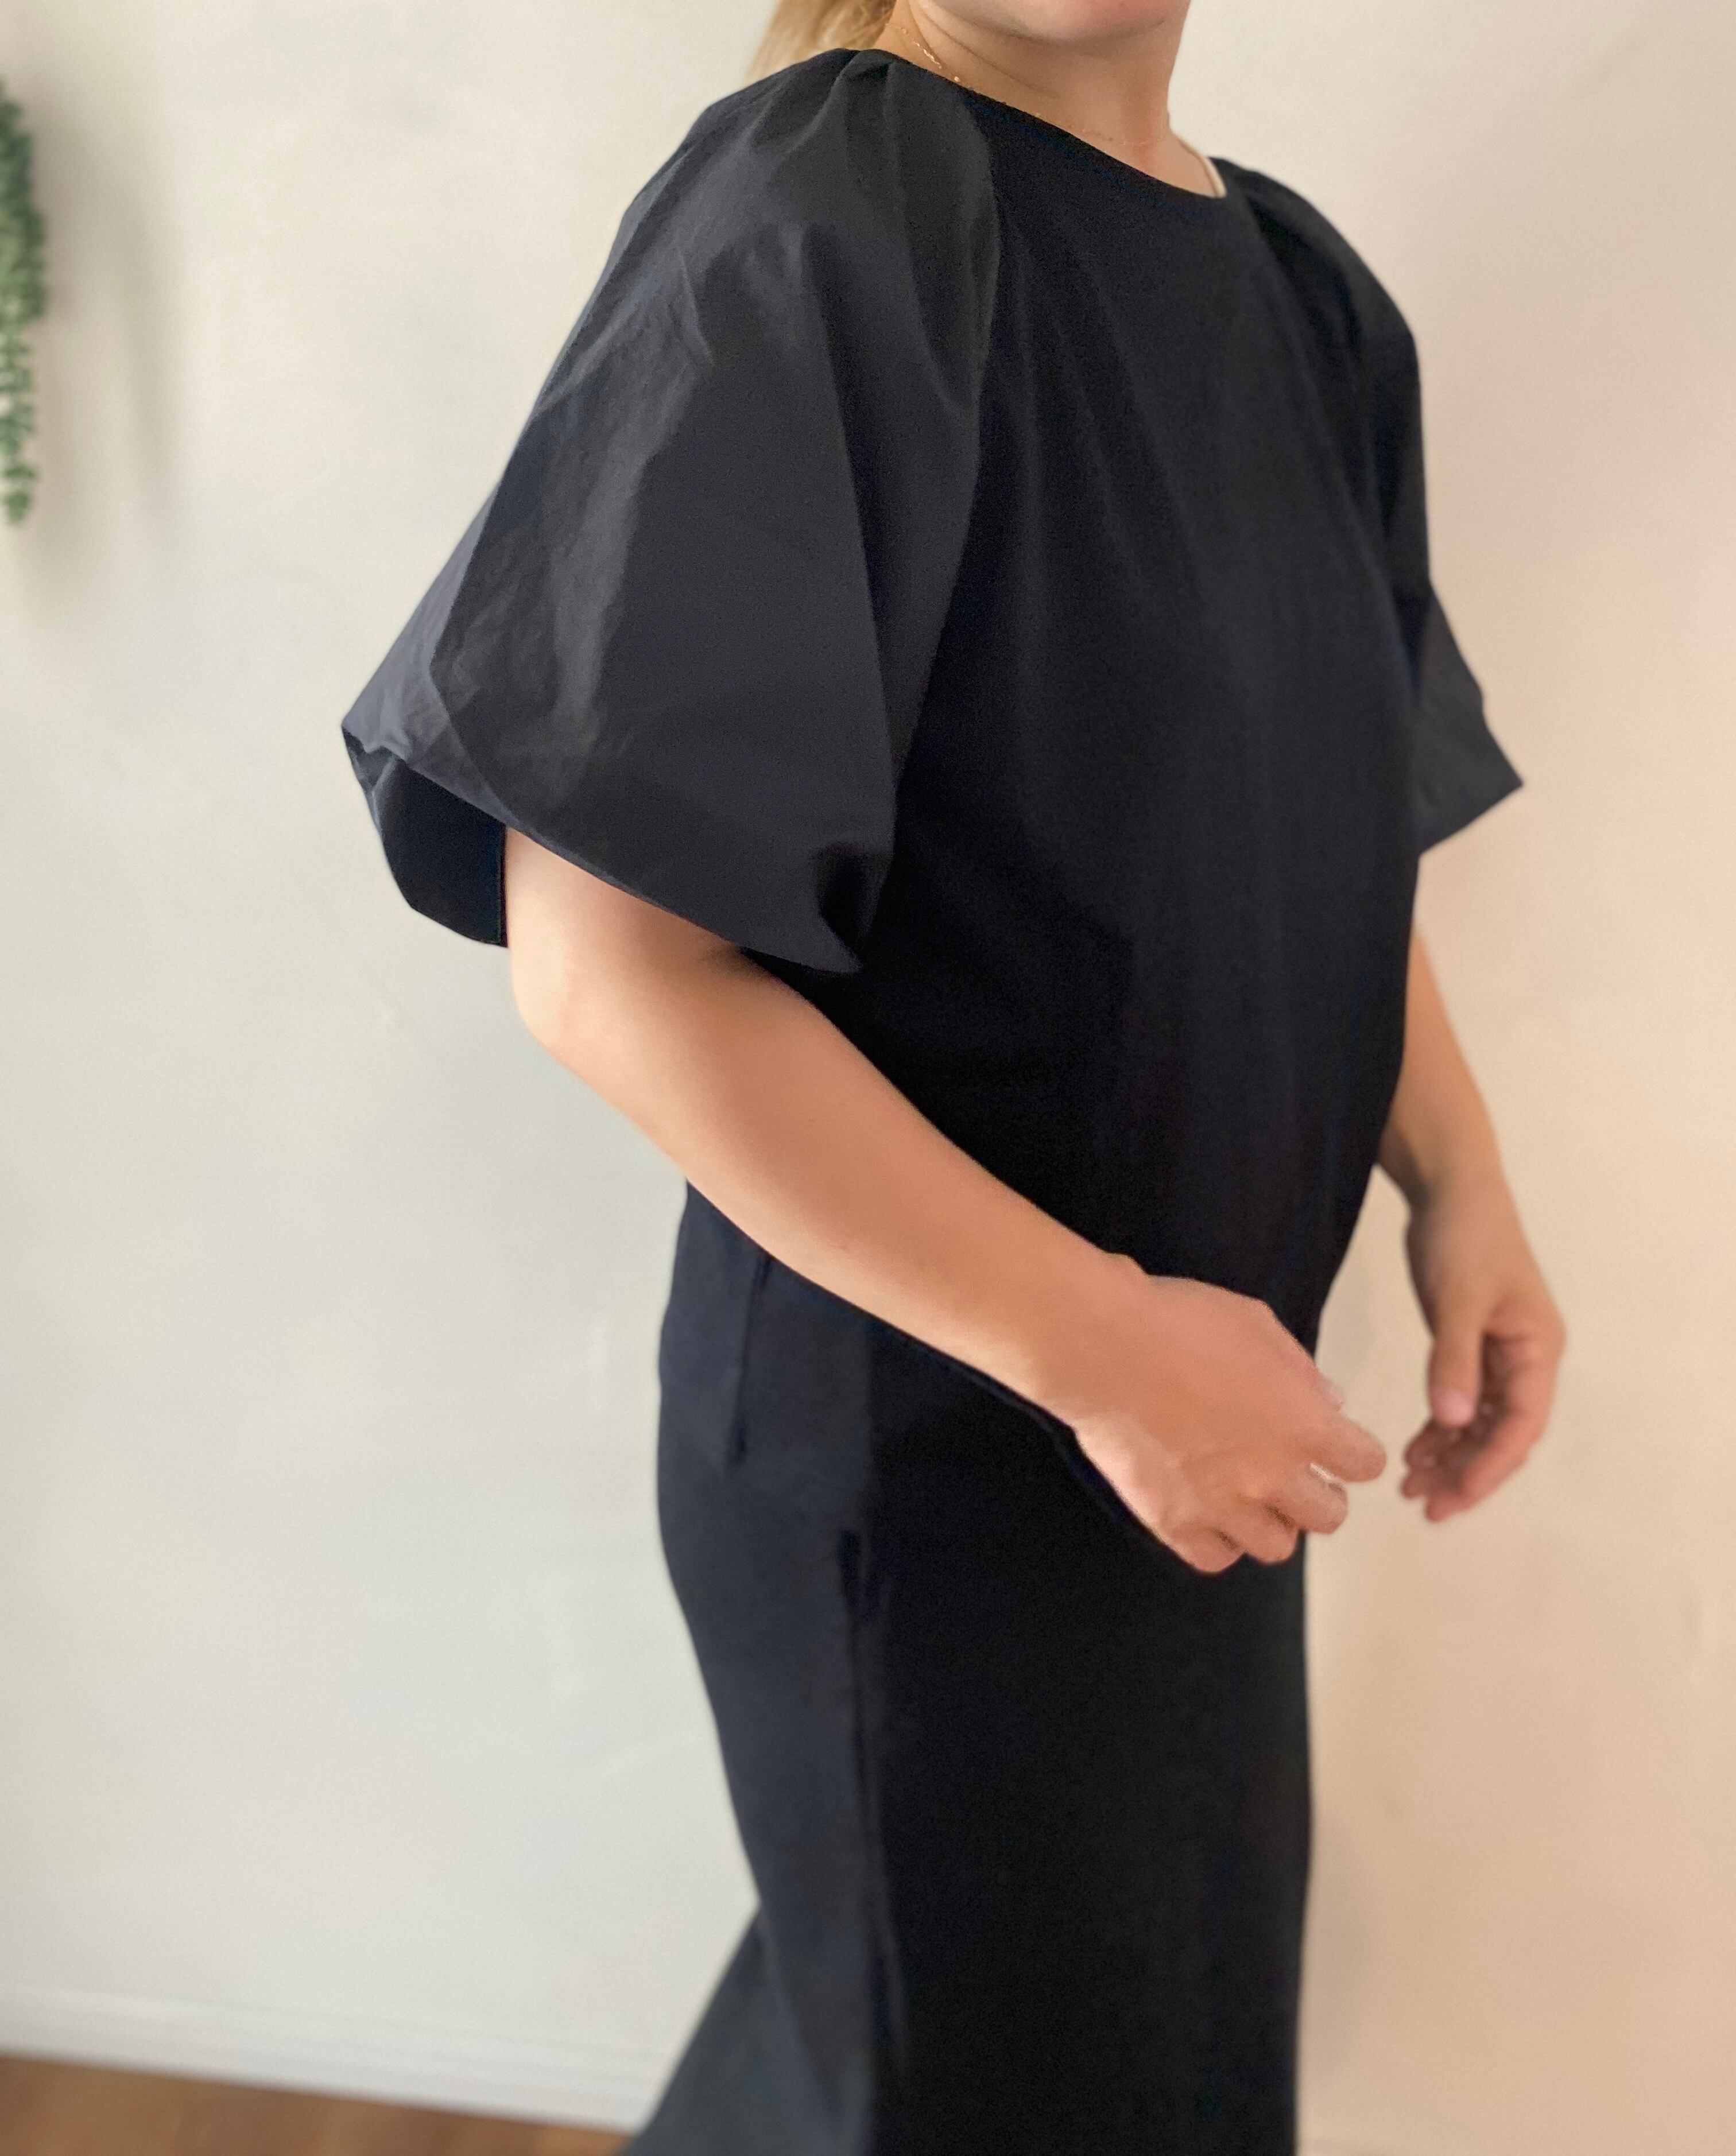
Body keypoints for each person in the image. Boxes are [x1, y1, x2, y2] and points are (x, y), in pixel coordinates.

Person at [339, 2, 1568, 2148]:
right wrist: (1105, 1349)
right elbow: (611, 965)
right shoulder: (828, 213)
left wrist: (1460, 1179)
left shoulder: (1304, 302)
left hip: (1198, 1419)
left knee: (1125, 2060)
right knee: (965, 2082)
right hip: (929, 1454)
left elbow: (1321, 829)